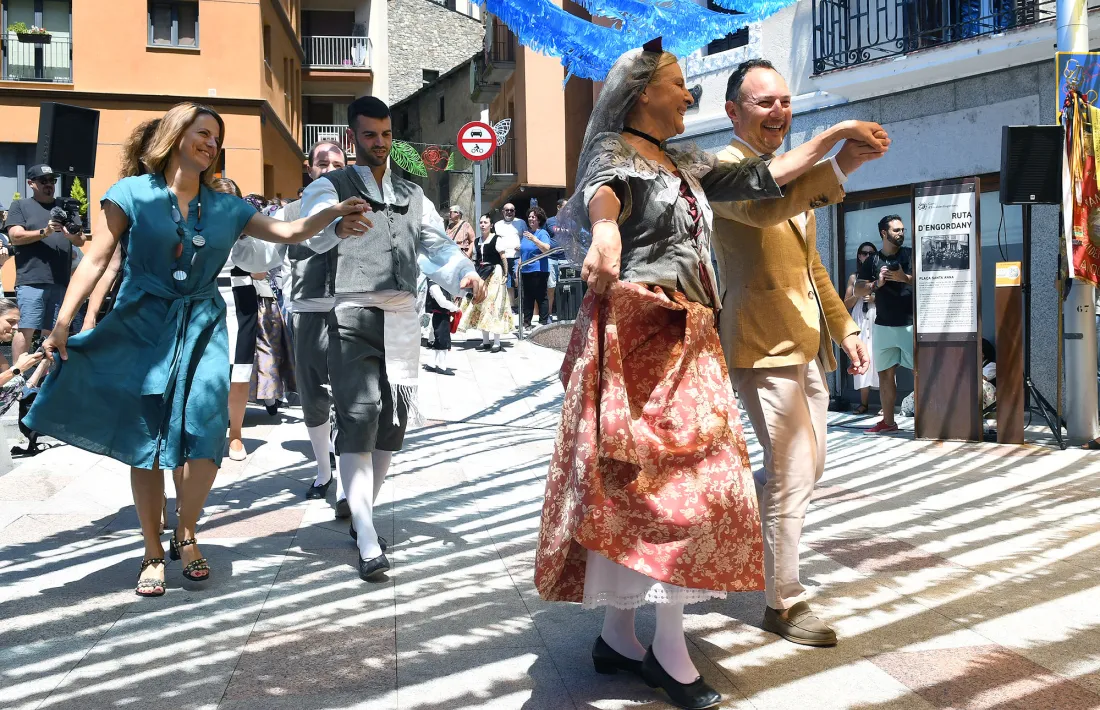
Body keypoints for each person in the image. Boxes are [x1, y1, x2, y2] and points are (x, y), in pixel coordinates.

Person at [533, 43, 887, 709]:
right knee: (677, 492)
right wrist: (606, 236)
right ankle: (671, 651)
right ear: (642, 93)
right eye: (676, 85)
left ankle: (619, 635)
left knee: (655, 492)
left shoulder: (685, 161)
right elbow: (602, 195)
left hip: (688, 340)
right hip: (646, 335)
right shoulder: (619, 151)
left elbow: (769, 177)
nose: (687, 96)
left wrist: (837, 137)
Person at [24, 102, 367, 598]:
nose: (211, 143)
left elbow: (289, 232)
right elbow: (97, 257)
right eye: (203, 133)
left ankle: (186, 531)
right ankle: (151, 549)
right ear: (175, 134)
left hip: (204, 323)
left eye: (216, 138)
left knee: (205, 435)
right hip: (142, 323)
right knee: (146, 443)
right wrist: (61, 323)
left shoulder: (226, 207)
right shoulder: (131, 194)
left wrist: (331, 215)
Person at [711, 59, 886, 649]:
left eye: (785, 100)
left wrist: (847, 330)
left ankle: (733, 516)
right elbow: (766, 207)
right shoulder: (724, 168)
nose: (778, 111)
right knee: (789, 474)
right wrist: (835, 144)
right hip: (759, 344)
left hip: (806, 344)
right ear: (733, 111)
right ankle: (783, 602)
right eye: (764, 102)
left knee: (809, 470)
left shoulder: (787, 171)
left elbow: (811, 266)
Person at [298, 95, 485, 583]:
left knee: (392, 424)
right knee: (360, 414)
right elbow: (308, 235)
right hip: (353, 311)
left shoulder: (412, 193)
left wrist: (462, 272)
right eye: (368, 135)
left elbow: (434, 244)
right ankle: (364, 531)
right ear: (352, 138)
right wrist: (336, 224)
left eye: (385, 135)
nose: (378, 144)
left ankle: (362, 510)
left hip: (403, 316)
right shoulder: (329, 185)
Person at [230, 140, 350, 513]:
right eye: (322, 163)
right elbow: (260, 258)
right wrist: (240, 237)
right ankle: (322, 471)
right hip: (308, 312)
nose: (329, 169)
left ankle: (347, 484)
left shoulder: (362, 205)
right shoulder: (290, 213)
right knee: (314, 396)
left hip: (352, 311)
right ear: (308, 167)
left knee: (351, 398)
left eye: (337, 163)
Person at [4, 164, 86, 366]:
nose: (49, 185)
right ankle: (17, 379)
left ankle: (43, 379)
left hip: (60, 280)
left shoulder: (65, 206)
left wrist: (72, 235)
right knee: (27, 328)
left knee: (52, 331)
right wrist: (44, 232)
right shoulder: (21, 206)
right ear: (31, 183)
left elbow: (81, 240)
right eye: (44, 181)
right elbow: (14, 236)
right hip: (31, 279)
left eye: (52, 181)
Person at [855, 214, 914, 434]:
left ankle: (931, 420)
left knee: (922, 372)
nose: (901, 234)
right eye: (896, 230)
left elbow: (929, 277)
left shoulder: (910, 254)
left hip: (910, 324)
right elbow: (857, 289)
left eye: (902, 230)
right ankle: (888, 422)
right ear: (884, 233)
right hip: (883, 325)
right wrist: (876, 283)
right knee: (885, 375)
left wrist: (904, 278)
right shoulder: (872, 260)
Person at [461, 214, 513, 352]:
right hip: (481, 273)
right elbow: (475, 259)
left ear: (491, 225)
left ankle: (496, 341)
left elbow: (503, 257)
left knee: (493, 306)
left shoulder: (496, 239)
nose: (483, 224)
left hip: (494, 273)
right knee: (481, 303)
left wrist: (506, 274)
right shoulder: (477, 241)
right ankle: (485, 341)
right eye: (481, 222)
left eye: (485, 222)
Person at [844, 241, 881, 414]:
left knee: (882, 358)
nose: (867, 256)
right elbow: (846, 303)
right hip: (860, 317)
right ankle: (863, 403)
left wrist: (875, 299)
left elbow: (892, 299)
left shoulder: (880, 276)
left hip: (878, 316)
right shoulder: (854, 277)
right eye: (864, 253)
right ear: (859, 256)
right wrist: (858, 294)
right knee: (861, 356)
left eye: (871, 253)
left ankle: (884, 405)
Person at [518, 206, 557, 328]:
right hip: (525, 270)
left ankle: (543, 322)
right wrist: (519, 266)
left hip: (539, 270)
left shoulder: (542, 233)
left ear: (539, 219)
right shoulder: (526, 234)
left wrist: (534, 239)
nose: (530, 219)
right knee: (528, 297)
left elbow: (546, 249)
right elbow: (523, 251)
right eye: (529, 217)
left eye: (533, 217)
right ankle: (526, 322)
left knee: (541, 296)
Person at [425, 278, 460, 374]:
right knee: (443, 340)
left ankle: (431, 363)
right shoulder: (434, 283)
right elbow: (441, 301)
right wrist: (454, 308)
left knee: (439, 339)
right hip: (440, 313)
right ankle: (442, 365)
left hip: (442, 314)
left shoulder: (437, 280)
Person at [494, 203, 522, 313]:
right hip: (503, 257)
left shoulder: (521, 222)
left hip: (517, 256)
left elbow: (525, 237)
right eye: (507, 210)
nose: (509, 212)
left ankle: (521, 303)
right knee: (508, 282)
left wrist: (522, 246)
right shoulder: (497, 225)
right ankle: (512, 306)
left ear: (514, 211)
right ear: (503, 212)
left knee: (518, 280)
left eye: (511, 210)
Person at [544, 197, 568, 320]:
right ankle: (549, 314)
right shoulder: (549, 222)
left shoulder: (572, 222)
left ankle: (564, 313)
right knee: (551, 286)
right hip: (551, 258)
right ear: (558, 207)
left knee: (565, 286)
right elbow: (543, 236)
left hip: (566, 259)